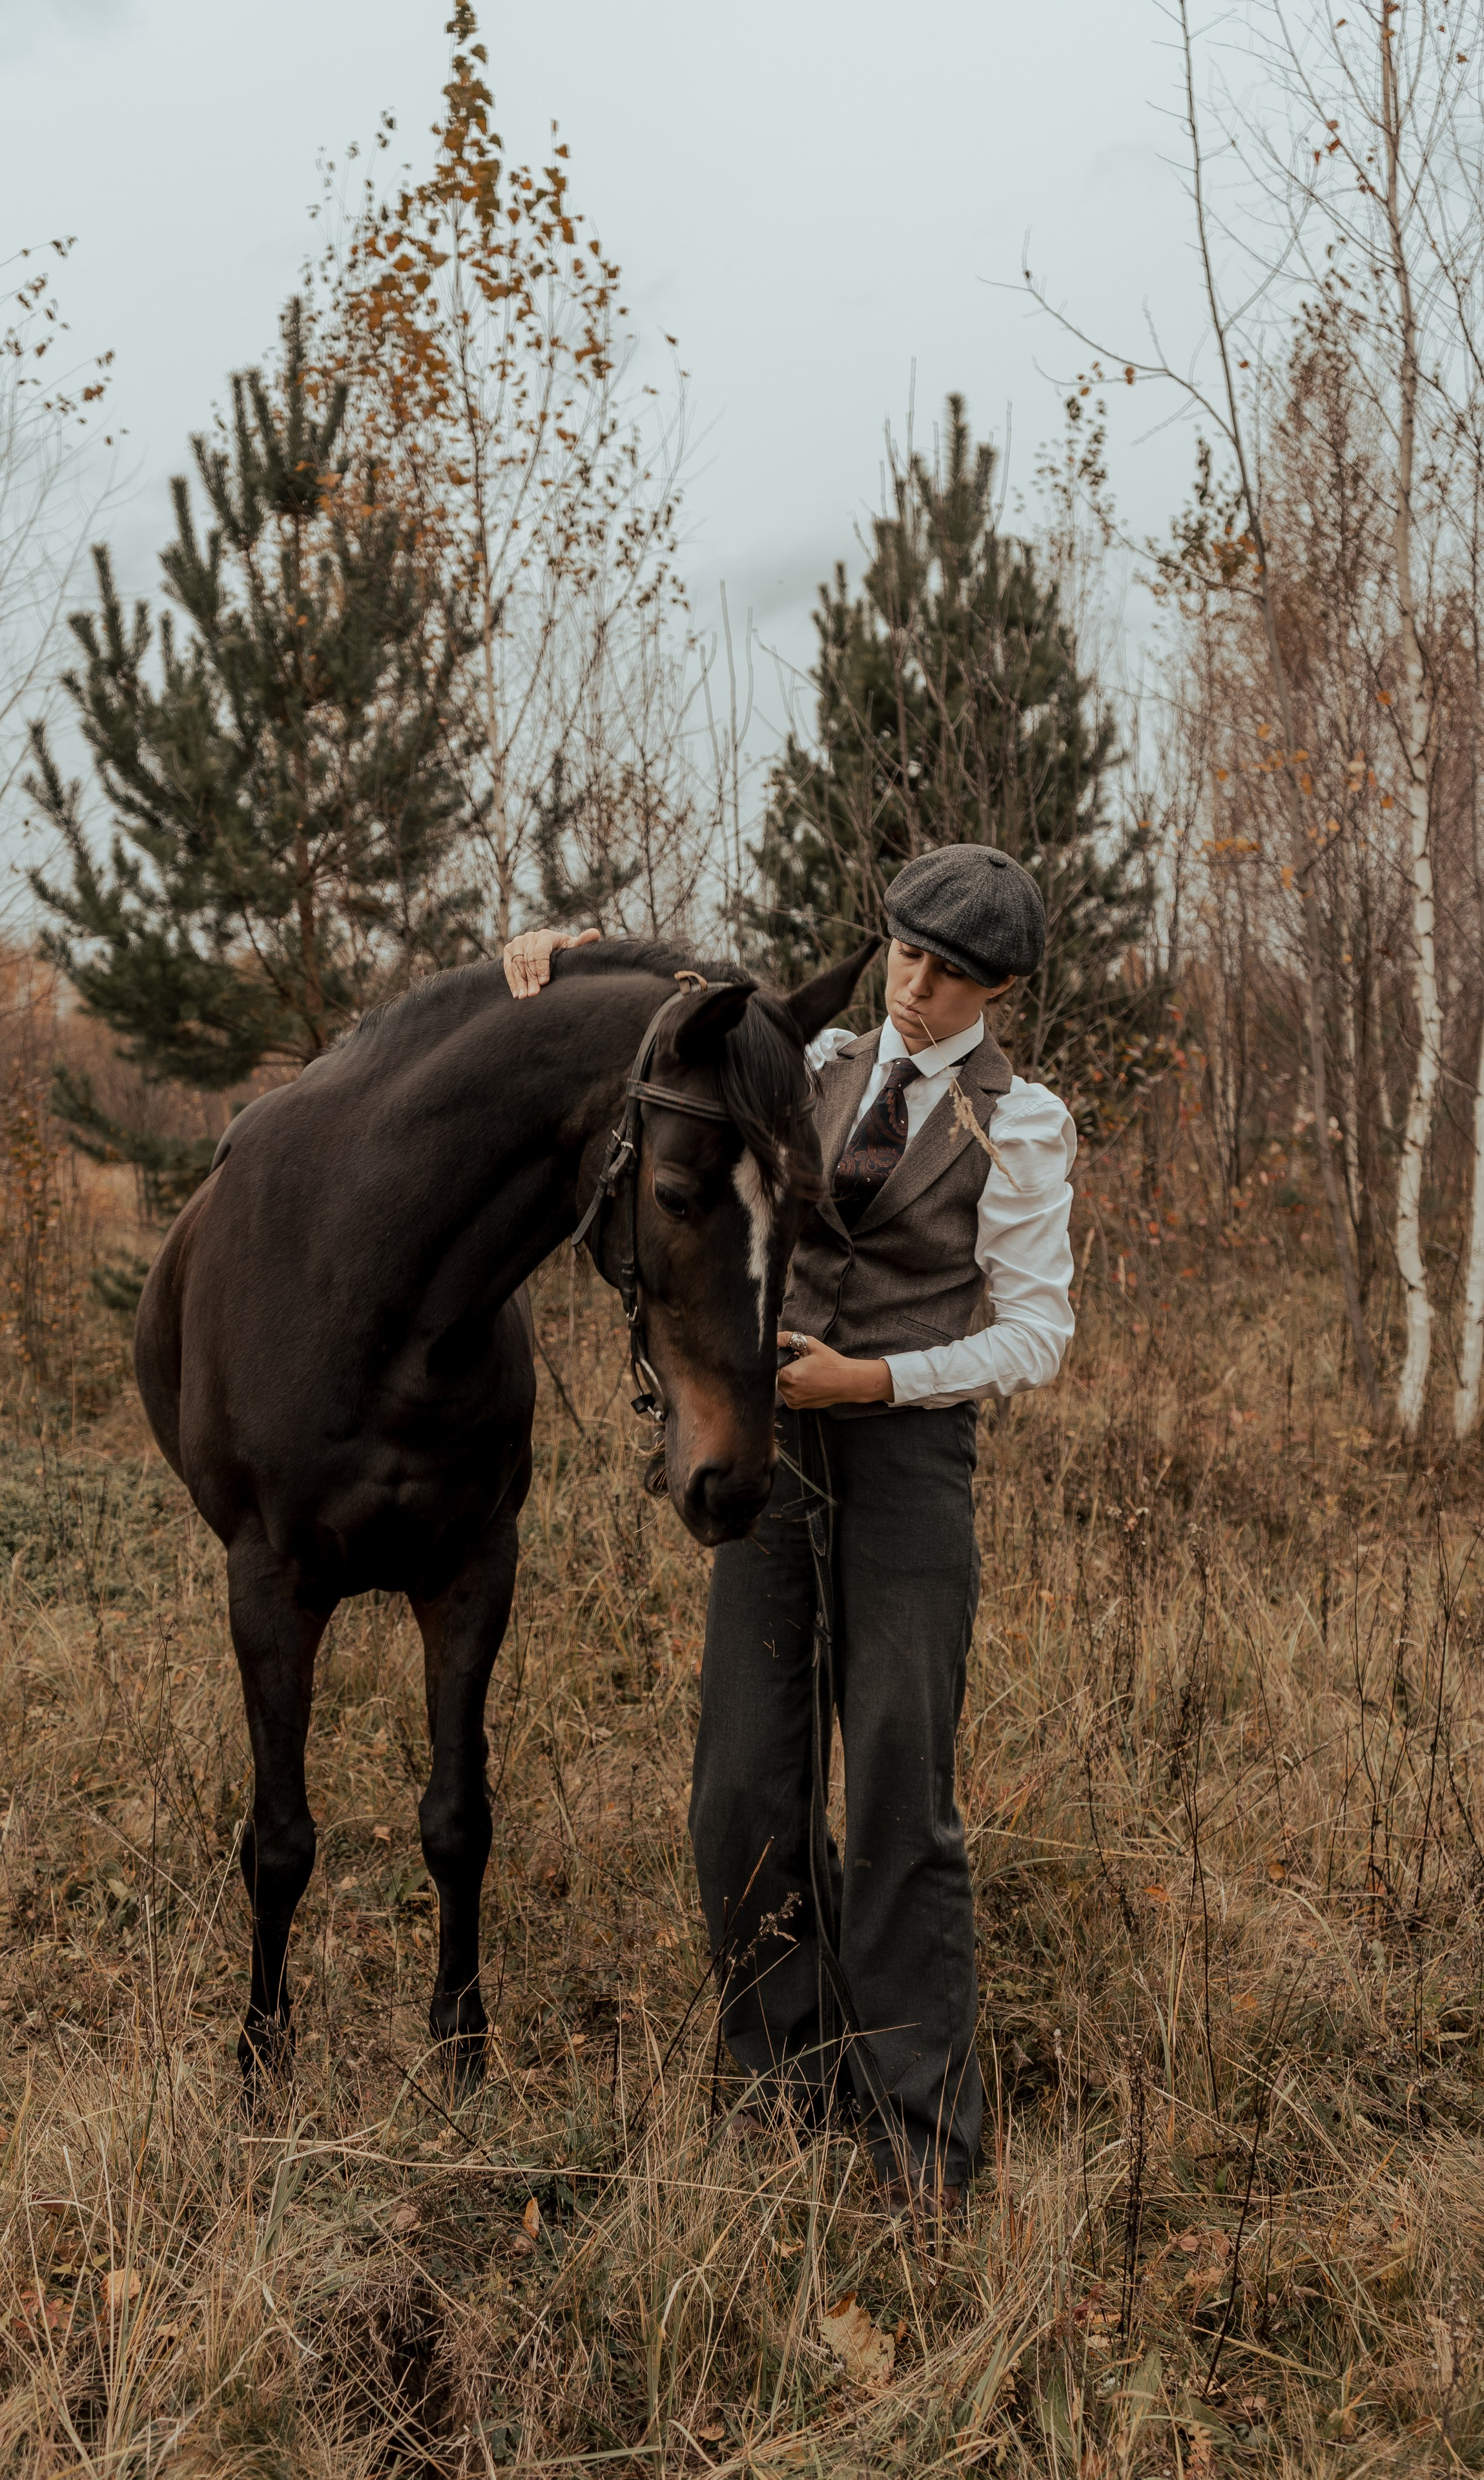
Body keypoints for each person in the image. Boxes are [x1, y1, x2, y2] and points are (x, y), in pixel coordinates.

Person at [501, 848, 1076, 2230]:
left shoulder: (1024, 1123)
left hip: (904, 1469)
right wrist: (564, 946)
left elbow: (1036, 1333)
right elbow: (680, 998)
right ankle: (780, 2086)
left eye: (949, 972)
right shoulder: (807, 1056)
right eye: (904, 952)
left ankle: (922, 2136)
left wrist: (871, 1381)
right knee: (740, 1791)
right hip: (767, 1457)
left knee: (892, 1789)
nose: (916, 984)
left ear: (1001, 987)